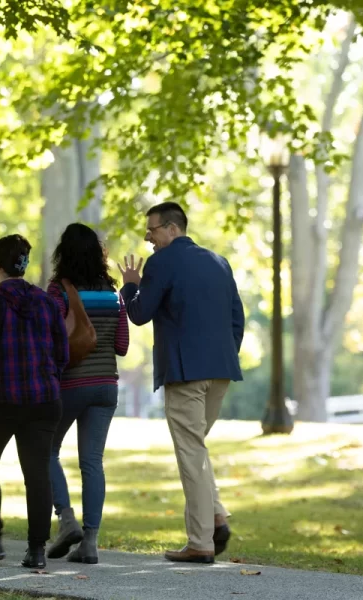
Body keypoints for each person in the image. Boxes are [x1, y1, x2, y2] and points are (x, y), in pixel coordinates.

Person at [118, 202, 244, 565]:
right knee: (196, 449)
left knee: (190, 455)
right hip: (220, 372)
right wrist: (222, 357)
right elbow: (238, 318)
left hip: (186, 374)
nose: (147, 237)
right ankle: (216, 516)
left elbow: (140, 314)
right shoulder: (220, 262)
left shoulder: (162, 262)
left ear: (172, 229)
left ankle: (201, 543)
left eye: (152, 230)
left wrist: (130, 288)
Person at [0, 234, 69, 570]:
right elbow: (61, 352)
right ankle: (36, 550)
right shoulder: (46, 302)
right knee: (38, 475)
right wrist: (48, 377)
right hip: (44, 400)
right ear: (23, 264)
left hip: (0, 399)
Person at [44, 223, 129, 564]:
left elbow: (50, 341)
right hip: (106, 386)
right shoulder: (113, 294)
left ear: (63, 253)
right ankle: (90, 542)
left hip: (69, 385)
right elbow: (121, 346)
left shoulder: (57, 291)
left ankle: (66, 521)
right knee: (93, 462)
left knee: (46, 451)